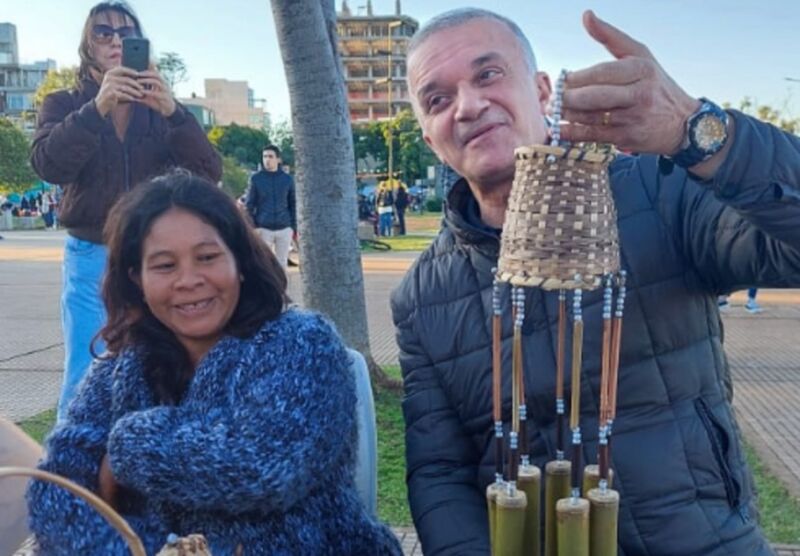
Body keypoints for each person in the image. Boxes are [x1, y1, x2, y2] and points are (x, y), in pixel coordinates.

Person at [391, 8, 800, 555]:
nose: (467, 106)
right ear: (427, 134)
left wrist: (696, 132)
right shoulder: (421, 297)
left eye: (488, 74)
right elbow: (441, 473)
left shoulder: (661, 193)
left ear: (540, 89)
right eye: (438, 99)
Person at [26, 172, 402, 556]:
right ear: (136, 279)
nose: (189, 280)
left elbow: (261, 466)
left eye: (207, 257)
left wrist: (124, 447)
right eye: (164, 265)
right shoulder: (122, 366)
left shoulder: (301, 342)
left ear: (239, 261)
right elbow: (54, 487)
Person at [30, 2, 222, 422]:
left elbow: (208, 174)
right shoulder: (64, 103)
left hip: (155, 258)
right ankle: (70, 476)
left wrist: (172, 111)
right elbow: (49, 164)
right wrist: (97, 108)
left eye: (127, 34)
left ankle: (151, 467)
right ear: (88, 43)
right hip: (91, 255)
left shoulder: (159, 107)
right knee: (87, 368)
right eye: (103, 32)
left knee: (163, 362)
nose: (115, 41)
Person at [245, 144, 297, 269]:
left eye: (270, 156)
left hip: (284, 228)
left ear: (278, 159)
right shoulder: (256, 179)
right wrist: (253, 227)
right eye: (264, 157)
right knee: (263, 265)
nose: (267, 160)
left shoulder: (287, 180)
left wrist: (293, 227)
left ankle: (282, 289)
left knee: (282, 264)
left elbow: (293, 204)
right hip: (263, 228)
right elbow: (249, 205)